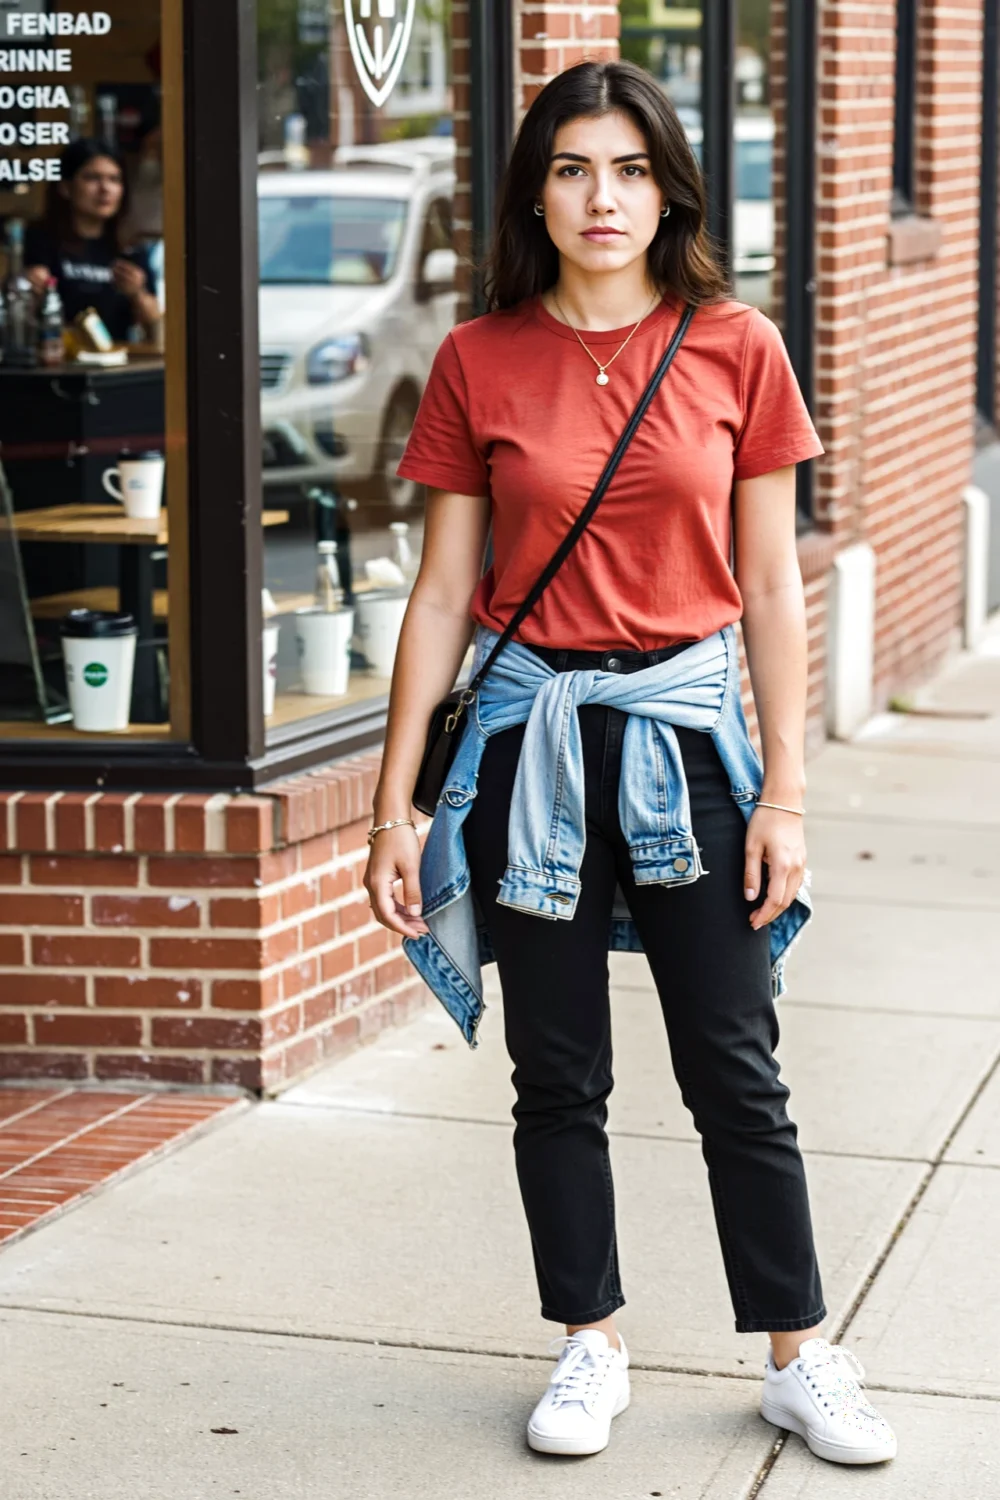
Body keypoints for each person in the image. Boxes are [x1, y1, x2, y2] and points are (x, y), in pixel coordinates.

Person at [363, 61, 897, 1469]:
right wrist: (391, 808)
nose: (604, 199)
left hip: (692, 742)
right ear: (537, 191)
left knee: (736, 1065)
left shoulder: (735, 346)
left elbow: (772, 590)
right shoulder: (481, 356)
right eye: (573, 170)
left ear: (670, 188)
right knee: (559, 1074)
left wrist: (786, 793)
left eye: (630, 169)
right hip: (530, 739)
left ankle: (798, 1354)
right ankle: (588, 1342)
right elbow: (438, 597)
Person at [25, 137, 160, 343]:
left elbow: (158, 330)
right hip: (59, 359)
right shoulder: (41, 240)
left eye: (114, 179)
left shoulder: (129, 248)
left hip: (116, 363)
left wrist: (137, 293)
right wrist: (30, 287)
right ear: (66, 187)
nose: (105, 189)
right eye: (92, 178)